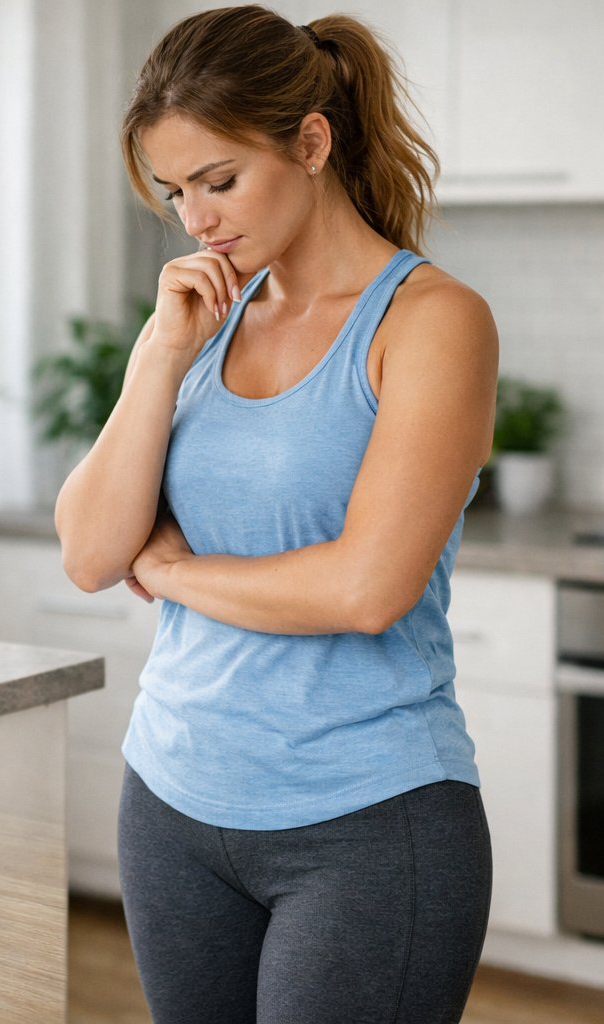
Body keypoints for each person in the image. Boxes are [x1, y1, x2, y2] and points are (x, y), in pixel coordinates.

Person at [53, 6, 499, 1023]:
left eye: (220, 180)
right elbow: (87, 551)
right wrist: (162, 355)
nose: (198, 219)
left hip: (368, 820)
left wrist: (166, 571)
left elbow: (365, 586)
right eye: (175, 193)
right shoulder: (196, 323)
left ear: (310, 141)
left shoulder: (431, 321)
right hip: (170, 800)